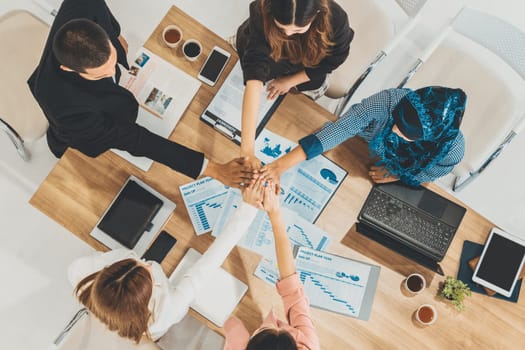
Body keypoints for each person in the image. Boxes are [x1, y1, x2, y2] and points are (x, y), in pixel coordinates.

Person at [28, 0, 252, 187]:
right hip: (82, 136)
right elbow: (135, 140)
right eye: (99, 75)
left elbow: (103, 16)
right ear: (69, 69)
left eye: (112, 59)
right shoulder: (63, 106)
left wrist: (116, 39)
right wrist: (211, 169)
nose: (110, 73)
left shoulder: (83, 5)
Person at [68, 180, 264, 343]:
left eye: (136, 262)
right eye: (148, 274)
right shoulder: (166, 313)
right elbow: (208, 265)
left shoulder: (80, 271)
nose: (147, 264)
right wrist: (248, 209)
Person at [262, 86, 467, 186]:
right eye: (396, 122)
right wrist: (280, 166)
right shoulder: (387, 100)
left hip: (376, 171)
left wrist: (397, 173)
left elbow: (429, 174)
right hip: (357, 146)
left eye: (406, 135)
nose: (394, 131)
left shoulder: (452, 150)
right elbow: (341, 129)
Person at [235, 0, 354, 170]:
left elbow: (331, 62)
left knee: (311, 84)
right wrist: (247, 150)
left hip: (307, 64)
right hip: (270, 56)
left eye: (298, 29)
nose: (289, 33)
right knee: (253, 67)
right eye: (281, 27)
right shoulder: (260, 9)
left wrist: (290, 81)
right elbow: (255, 70)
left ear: (317, 13)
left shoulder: (337, 21)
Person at [223, 180, 320, 350]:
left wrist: (233, 327)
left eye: (270, 328)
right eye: (283, 329)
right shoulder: (307, 345)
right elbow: (290, 282)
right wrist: (275, 214)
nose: (276, 324)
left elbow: (231, 324)